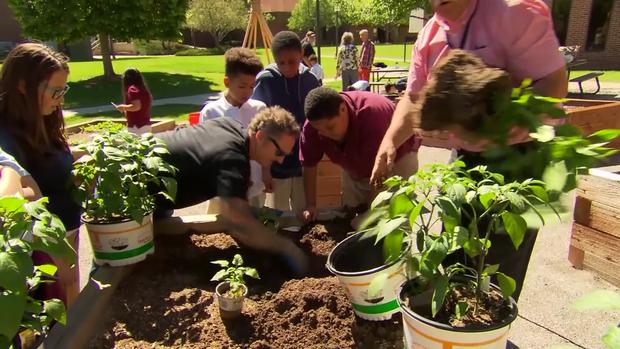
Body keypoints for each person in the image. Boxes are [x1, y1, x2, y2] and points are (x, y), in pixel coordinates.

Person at [370, 0, 568, 301]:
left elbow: (553, 82)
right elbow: (413, 99)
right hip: (466, 159)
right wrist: (389, 141)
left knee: (496, 270)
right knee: (455, 252)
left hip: (520, 158)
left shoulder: (512, 13)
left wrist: (497, 114)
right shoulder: (430, 36)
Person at [154, 107, 308, 274]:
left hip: (153, 163)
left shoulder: (232, 126)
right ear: (260, 136)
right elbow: (238, 221)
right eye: (279, 152)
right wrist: (287, 248)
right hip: (137, 186)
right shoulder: (232, 158)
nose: (280, 160)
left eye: (285, 154)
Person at [0, 43, 81, 306]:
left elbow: (54, 164)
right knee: (54, 319)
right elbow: (19, 193)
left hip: (67, 234)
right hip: (42, 249)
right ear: (23, 86)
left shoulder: (44, 120)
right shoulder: (6, 136)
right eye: (55, 91)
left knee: (72, 308)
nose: (61, 99)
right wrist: (52, 248)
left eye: (63, 90)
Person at [300, 87, 420, 222]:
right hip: (353, 163)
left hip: (396, 160)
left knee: (392, 218)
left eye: (330, 127)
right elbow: (309, 164)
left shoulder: (372, 117)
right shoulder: (313, 126)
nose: (324, 134)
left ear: (343, 109)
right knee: (350, 215)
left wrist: (369, 215)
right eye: (319, 130)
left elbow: (380, 176)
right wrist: (310, 204)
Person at [252, 31, 320, 215]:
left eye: (293, 61)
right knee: (278, 216)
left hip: (303, 162)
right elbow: (259, 127)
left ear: (301, 56)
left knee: (303, 216)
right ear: (275, 60)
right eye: (282, 62)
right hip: (276, 165)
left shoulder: (310, 80)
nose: (287, 67)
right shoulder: (266, 81)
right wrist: (265, 169)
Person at [200, 47, 268, 208]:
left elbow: (264, 147)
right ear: (227, 82)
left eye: (252, 87)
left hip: (255, 188)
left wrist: (266, 172)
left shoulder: (259, 109)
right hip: (223, 192)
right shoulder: (211, 112)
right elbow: (207, 154)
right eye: (242, 86)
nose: (248, 92)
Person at [115, 68, 153, 135]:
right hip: (145, 123)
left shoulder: (132, 89)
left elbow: (136, 107)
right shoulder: (143, 89)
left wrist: (122, 107)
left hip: (137, 126)